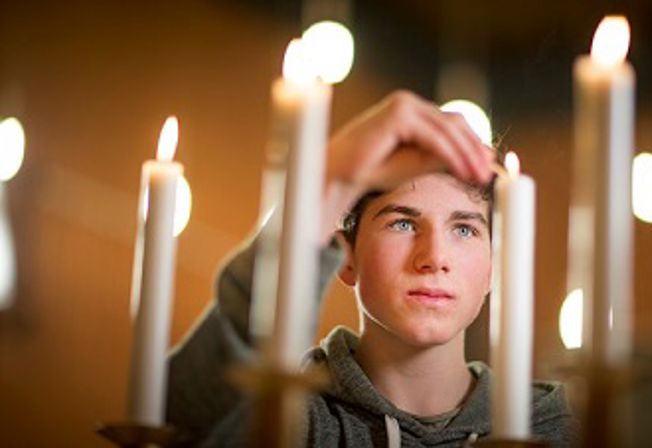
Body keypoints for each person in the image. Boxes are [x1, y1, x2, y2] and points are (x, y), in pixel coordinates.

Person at [167, 91, 577, 447]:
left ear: (493, 268)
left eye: (465, 229)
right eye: (403, 223)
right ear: (346, 257)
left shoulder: (551, 428)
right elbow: (182, 428)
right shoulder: (283, 418)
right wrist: (330, 179)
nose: (434, 257)